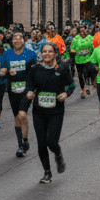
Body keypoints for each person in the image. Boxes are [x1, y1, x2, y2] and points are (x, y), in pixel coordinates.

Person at [20, 42, 75, 183]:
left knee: (51, 141)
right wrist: (30, 92)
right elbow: (29, 85)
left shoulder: (62, 69)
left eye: (50, 51)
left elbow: (71, 85)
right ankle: (47, 172)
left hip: (56, 111)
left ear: (55, 54)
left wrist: (66, 94)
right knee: (41, 143)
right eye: (44, 51)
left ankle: (58, 154)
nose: (47, 54)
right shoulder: (35, 69)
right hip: (39, 111)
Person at [4, 31, 38, 157]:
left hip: (26, 89)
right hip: (12, 90)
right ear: (11, 41)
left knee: (22, 114)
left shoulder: (30, 55)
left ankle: (25, 140)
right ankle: (21, 145)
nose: (17, 40)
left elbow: (34, 73)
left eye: (20, 38)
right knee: (17, 118)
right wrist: (7, 71)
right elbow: (2, 70)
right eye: (14, 38)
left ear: (24, 40)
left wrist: (32, 89)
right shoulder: (6, 55)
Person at [70, 24, 95, 99]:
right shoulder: (75, 39)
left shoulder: (90, 38)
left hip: (88, 59)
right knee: (80, 76)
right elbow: (72, 49)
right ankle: (83, 89)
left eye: (83, 30)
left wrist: (89, 52)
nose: (82, 32)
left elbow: (94, 48)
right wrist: (76, 52)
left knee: (86, 74)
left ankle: (88, 86)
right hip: (79, 60)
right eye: (81, 31)